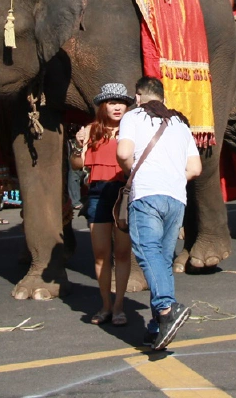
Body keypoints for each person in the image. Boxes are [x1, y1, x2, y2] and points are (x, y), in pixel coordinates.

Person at [116, 77, 201, 350]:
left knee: (147, 251)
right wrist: (171, 178)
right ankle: (157, 326)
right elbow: (195, 168)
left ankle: (166, 308)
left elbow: (124, 153)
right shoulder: (180, 124)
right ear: (163, 98)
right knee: (163, 260)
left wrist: (133, 173)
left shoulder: (133, 116)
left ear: (138, 97)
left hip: (147, 194)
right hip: (176, 198)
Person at [70, 83, 133, 326]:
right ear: (103, 106)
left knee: (122, 253)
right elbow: (77, 164)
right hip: (97, 193)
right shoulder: (91, 130)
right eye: (112, 102)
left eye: (121, 103)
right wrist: (78, 144)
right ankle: (106, 305)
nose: (117, 107)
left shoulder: (133, 131)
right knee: (100, 254)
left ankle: (119, 306)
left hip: (124, 193)